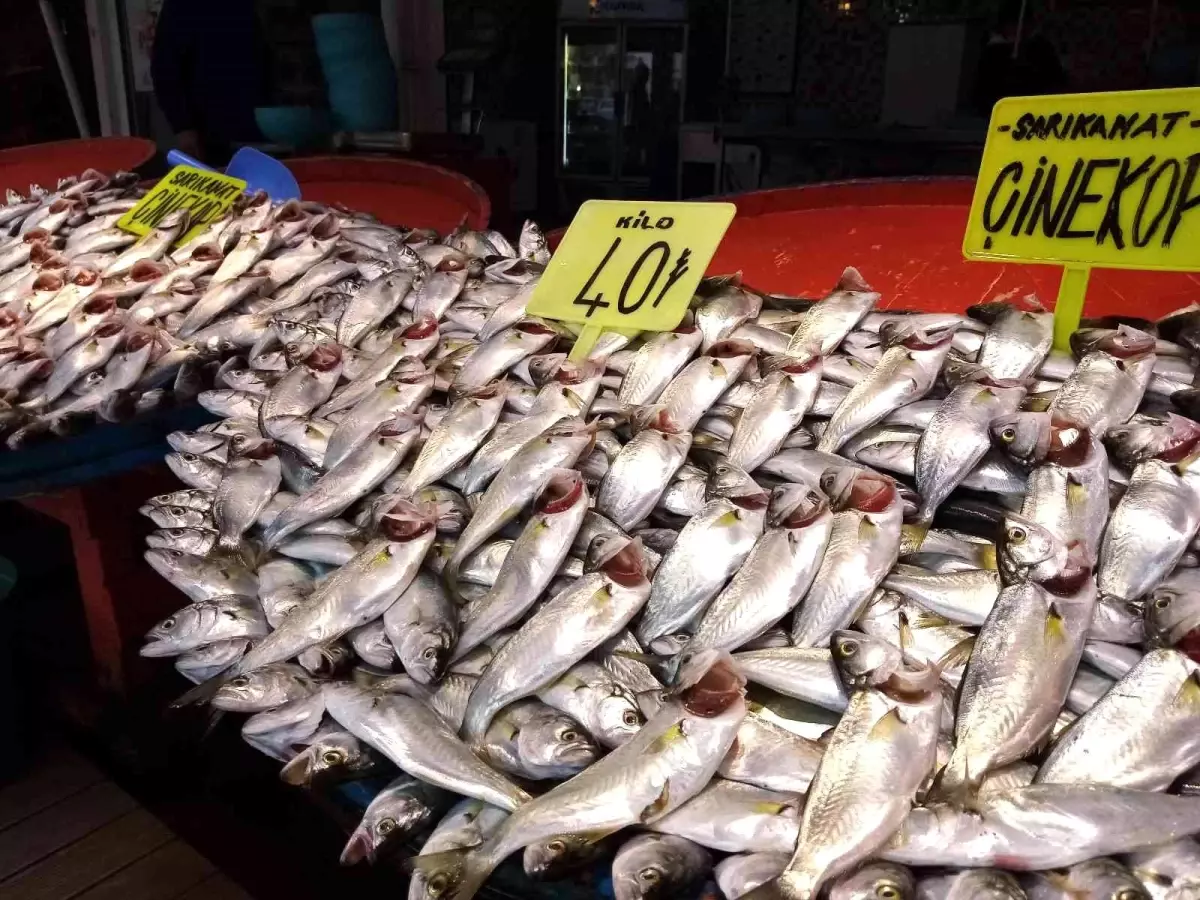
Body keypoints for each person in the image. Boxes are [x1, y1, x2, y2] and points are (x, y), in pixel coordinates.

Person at [150, 0, 269, 165]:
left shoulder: (246, 7)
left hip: (256, 127)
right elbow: (164, 67)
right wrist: (183, 126)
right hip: (210, 131)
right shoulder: (183, 6)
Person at [974, 0, 1066, 115]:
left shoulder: (1041, 47)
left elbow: (1055, 80)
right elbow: (983, 90)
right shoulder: (992, 52)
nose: (1017, 29)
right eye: (1010, 24)